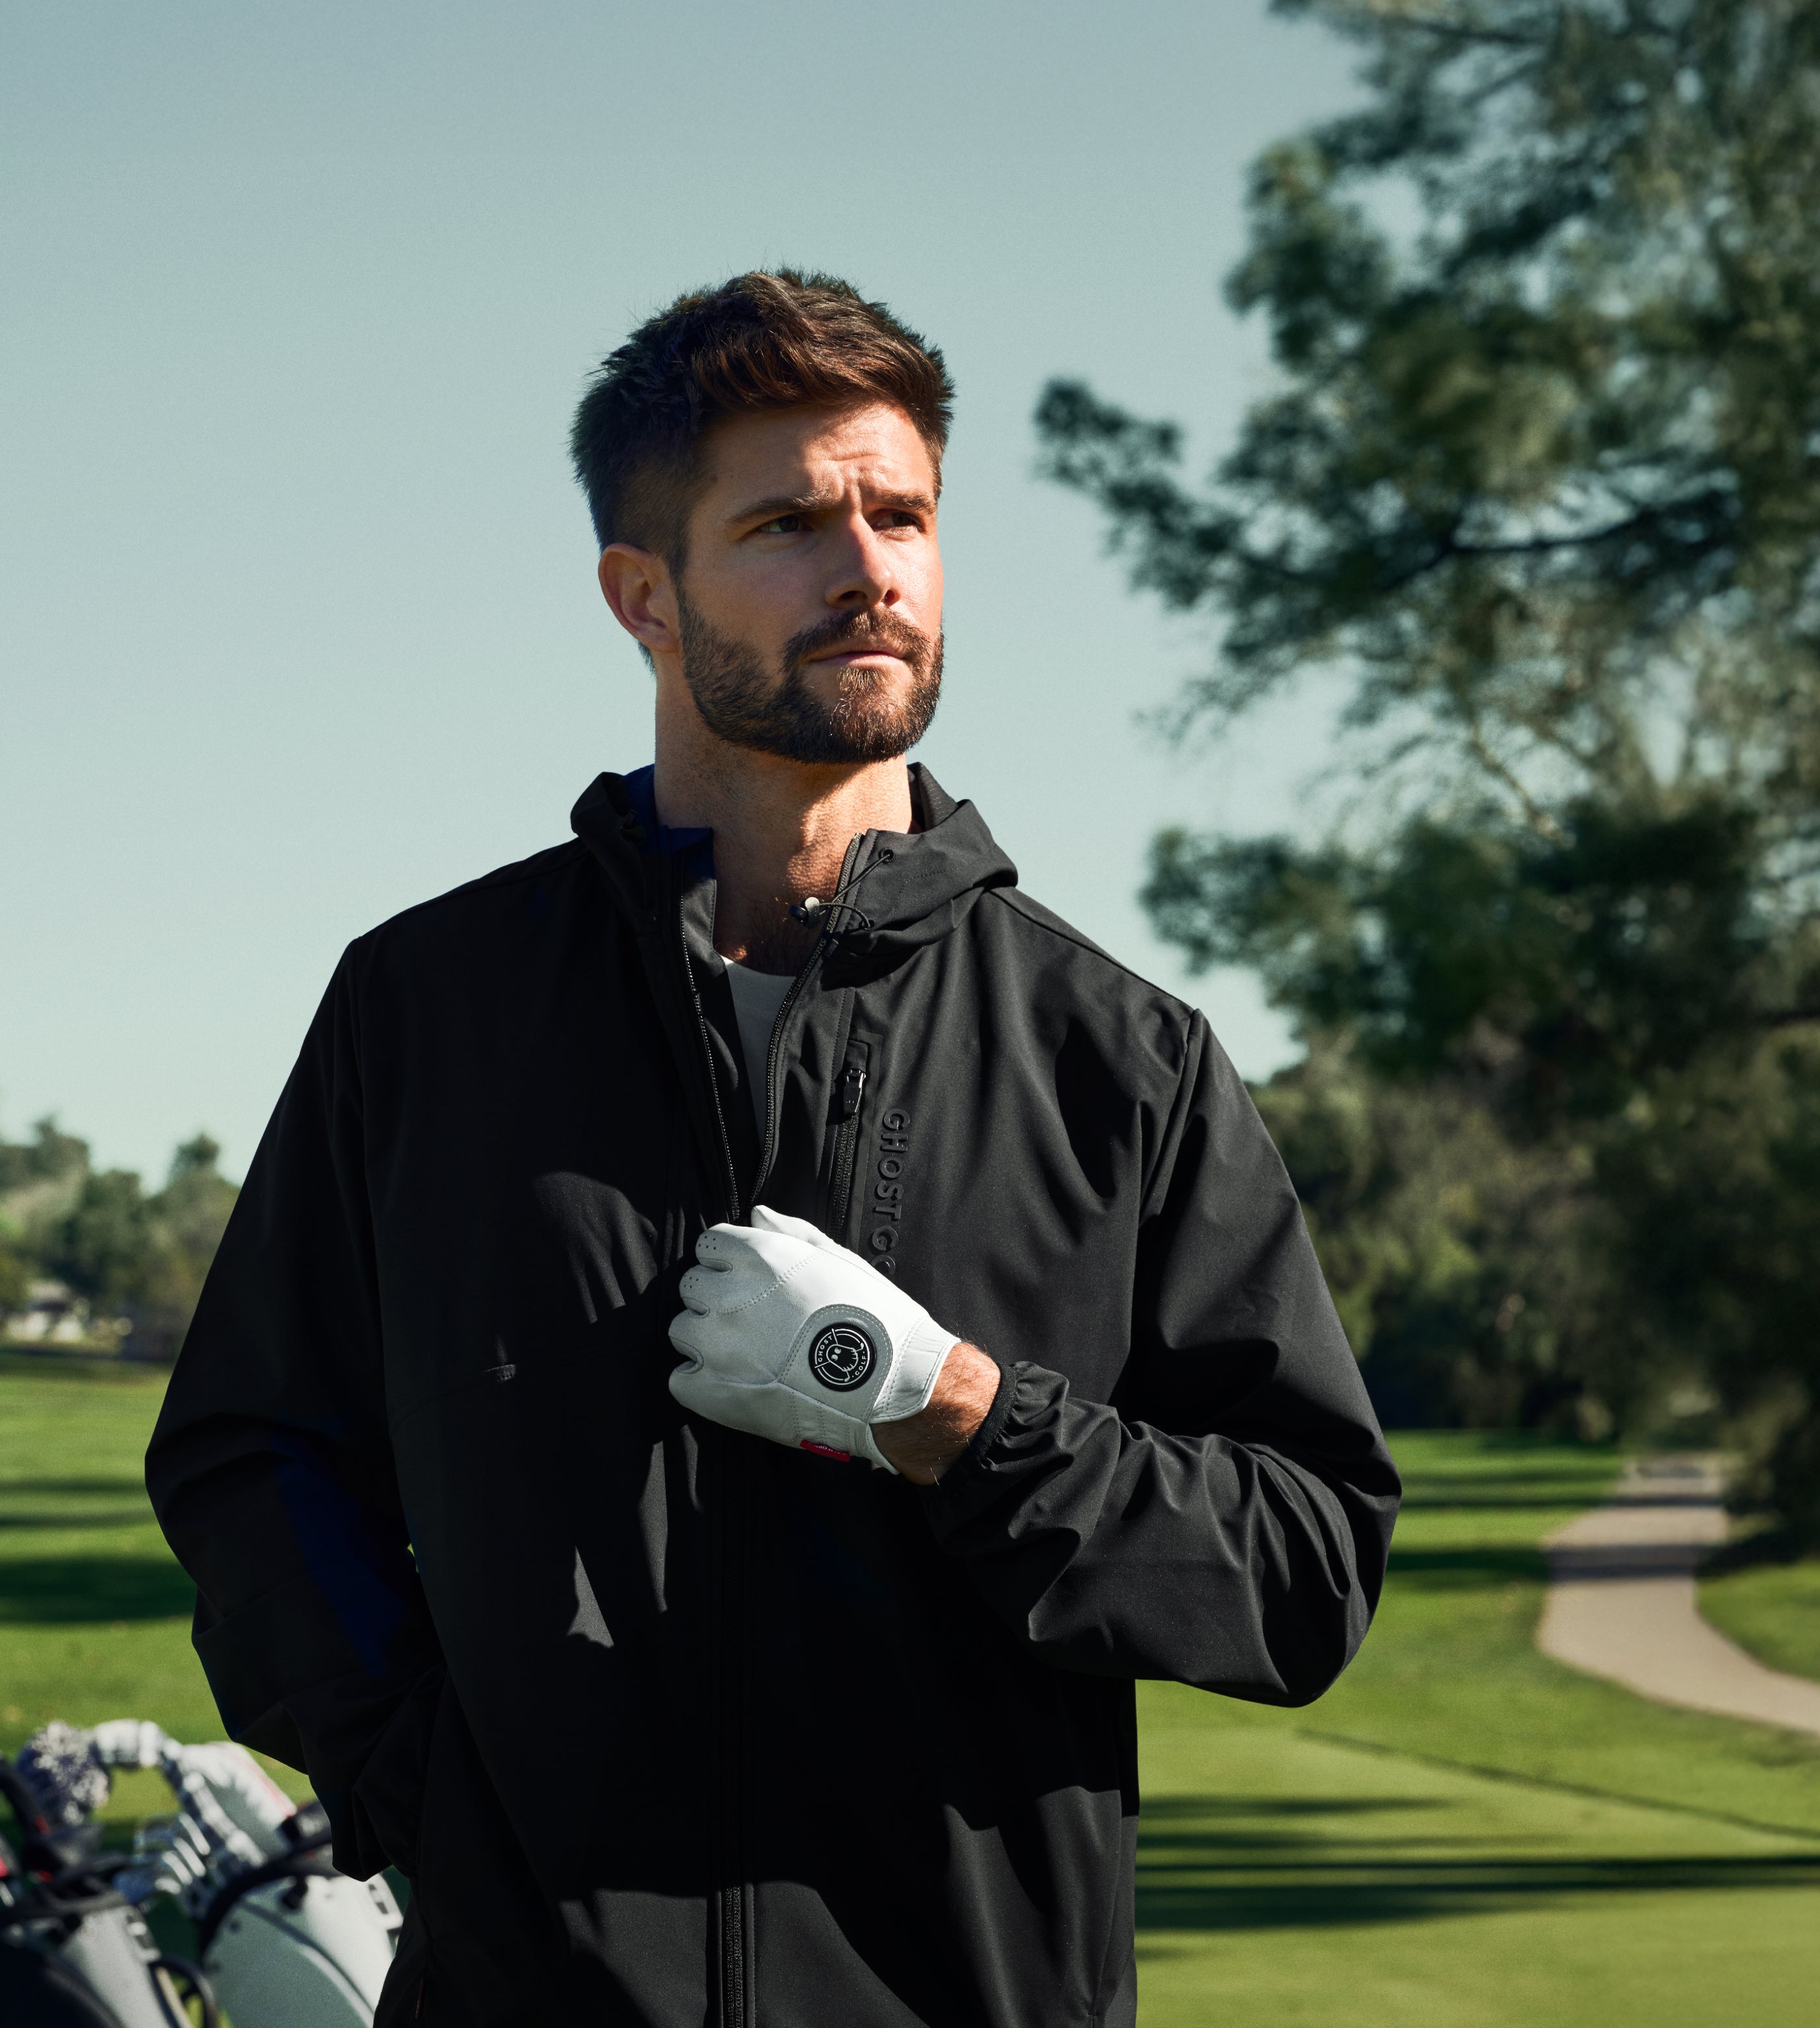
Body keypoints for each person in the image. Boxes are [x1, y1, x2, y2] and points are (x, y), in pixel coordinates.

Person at [146, 270, 1401, 2028]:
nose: (869, 569)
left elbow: (1304, 1569)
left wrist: (953, 1412)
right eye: (789, 523)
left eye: (905, 515)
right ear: (642, 596)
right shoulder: (424, 1010)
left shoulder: (1120, 1060)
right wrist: (428, 1788)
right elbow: (253, 1455)